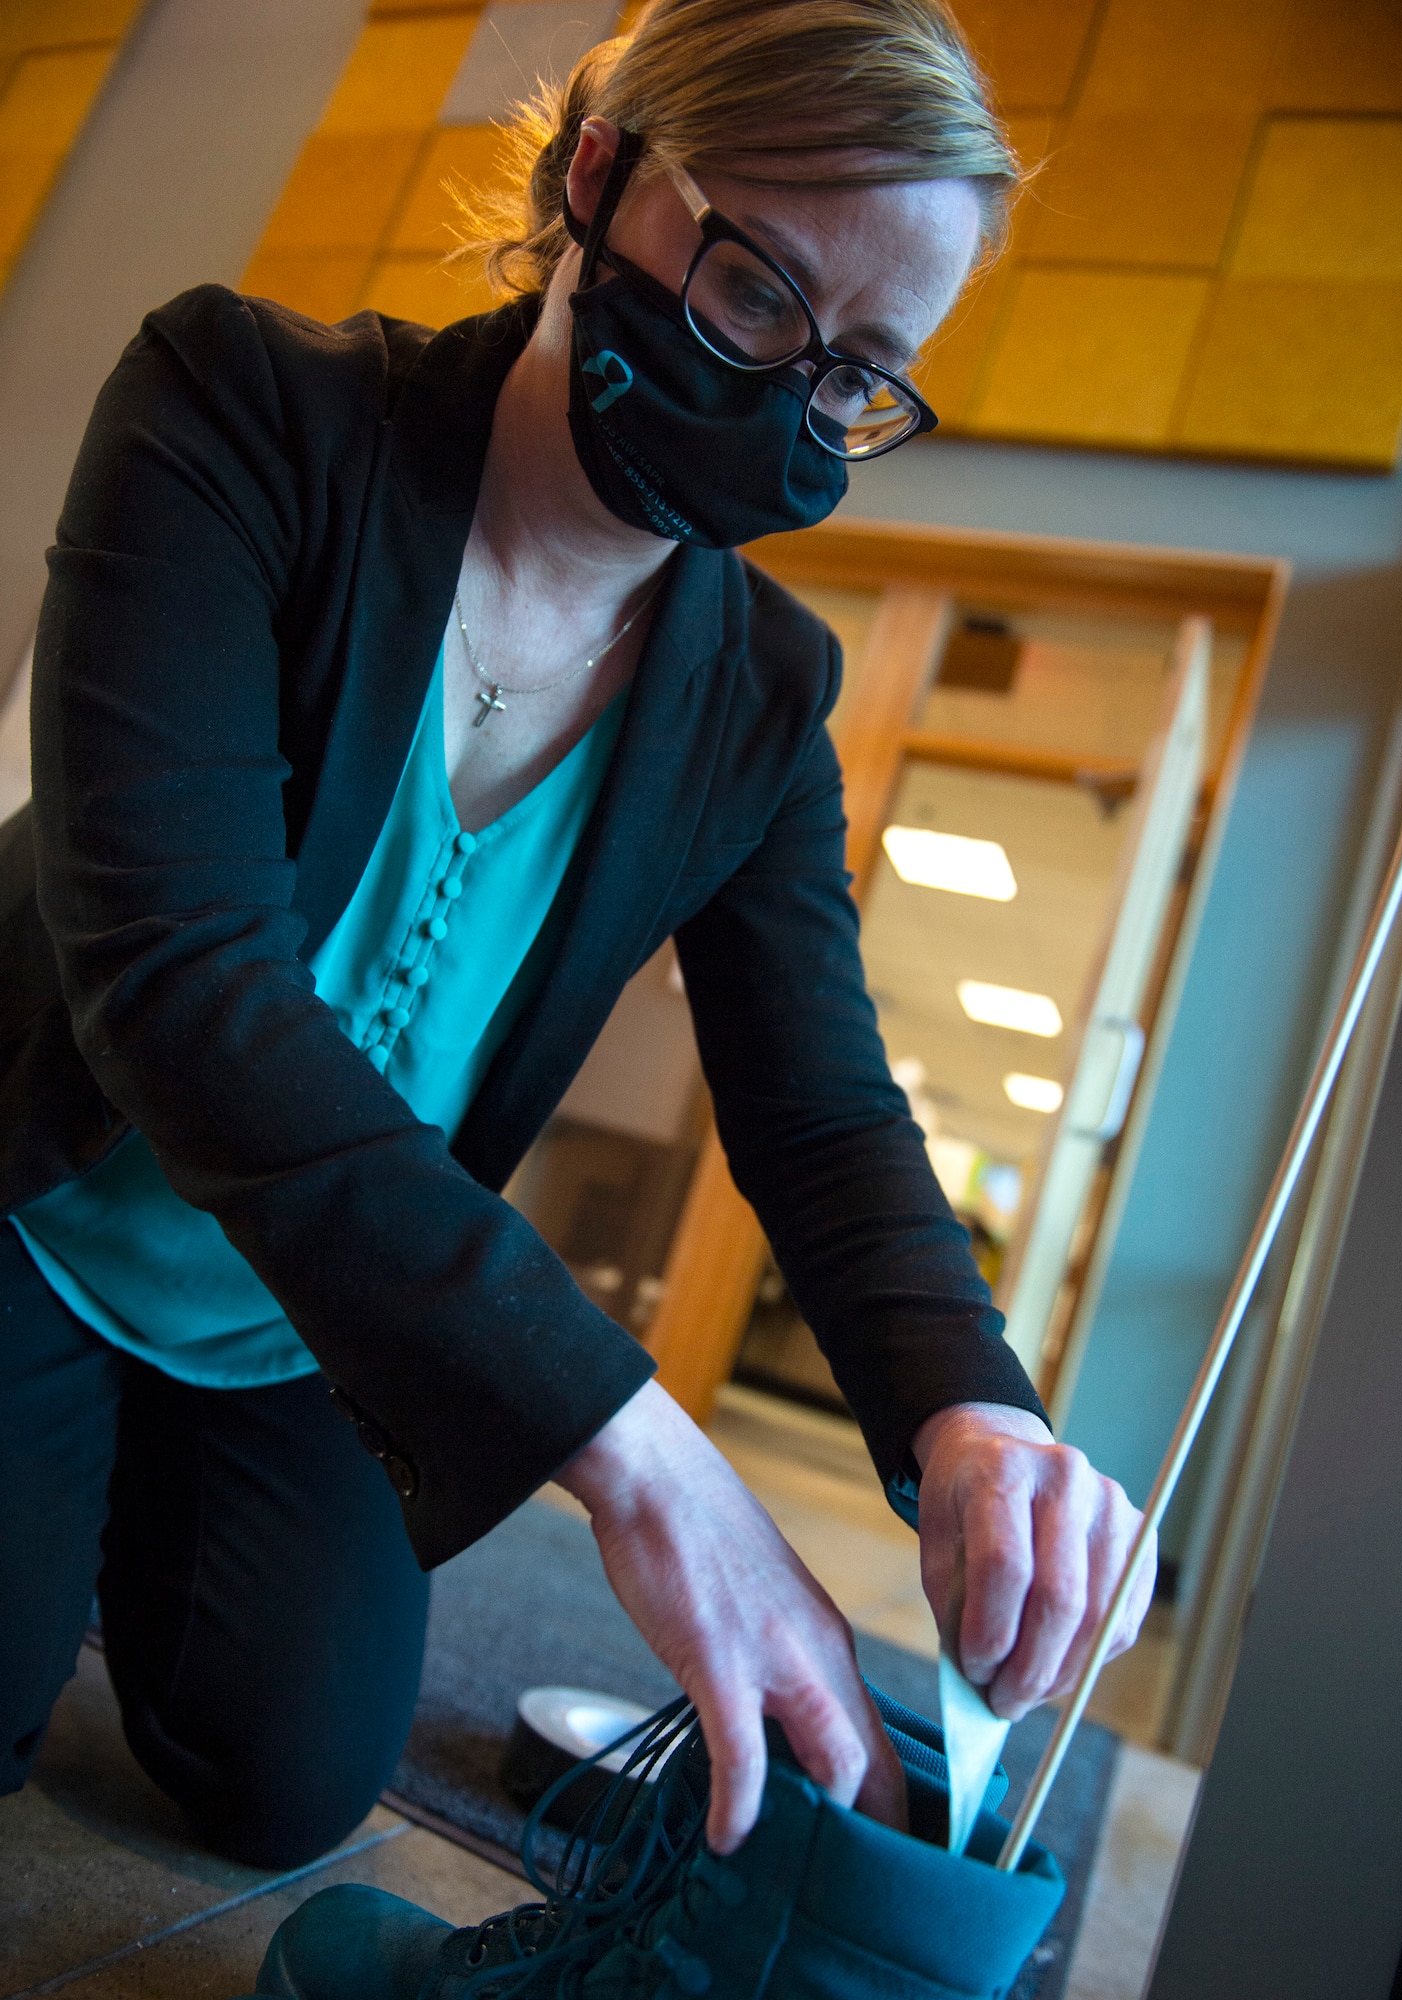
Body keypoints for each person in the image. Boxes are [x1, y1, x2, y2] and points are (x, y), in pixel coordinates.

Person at [0, 0, 1155, 1869]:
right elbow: (181, 985)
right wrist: (632, 1445)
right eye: (763, 293)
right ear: (598, 173)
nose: (797, 395)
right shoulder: (240, 410)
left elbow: (820, 1111)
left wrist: (970, 1415)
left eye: (861, 370)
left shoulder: (763, 697)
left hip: (306, 1321)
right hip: (34, 1202)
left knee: (285, 1783)